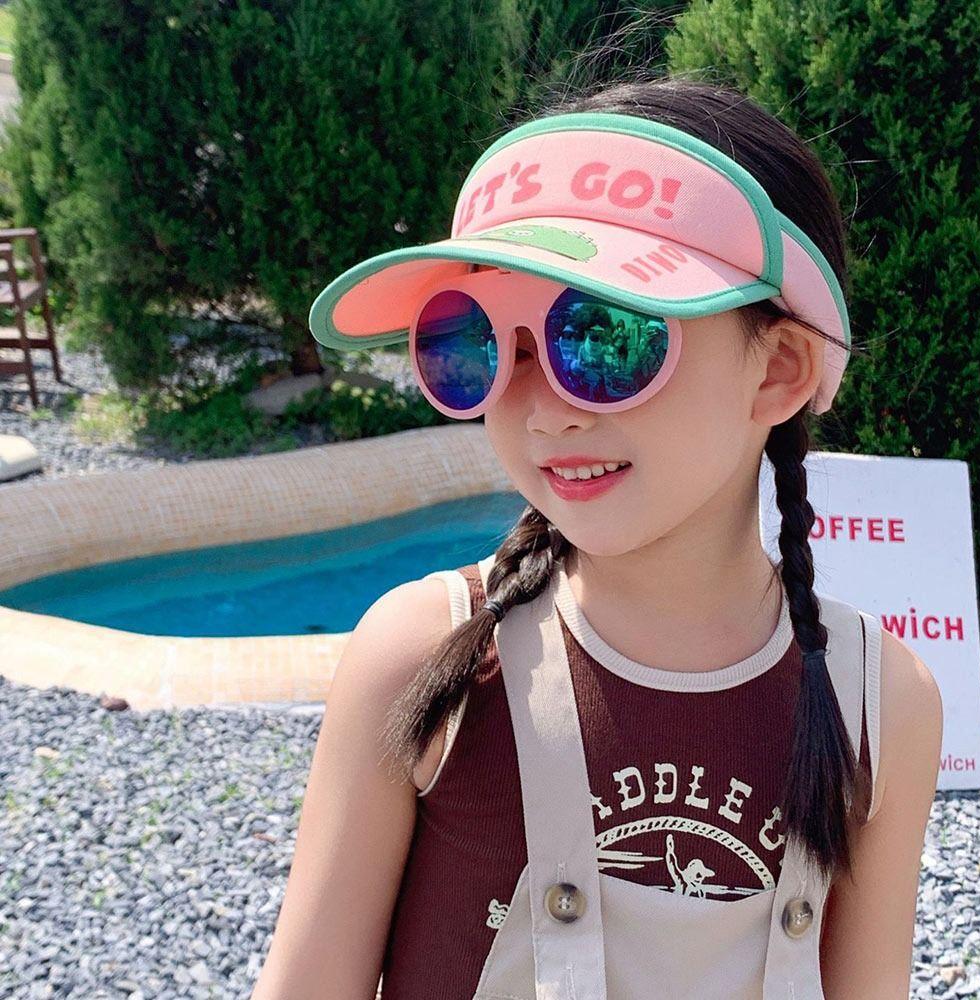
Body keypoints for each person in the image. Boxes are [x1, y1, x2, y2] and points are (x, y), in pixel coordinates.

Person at [252, 76, 943, 1000]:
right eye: (478, 344)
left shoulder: (880, 703)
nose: (542, 410)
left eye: (604, 337)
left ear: (778, 369)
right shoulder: (427, 661)